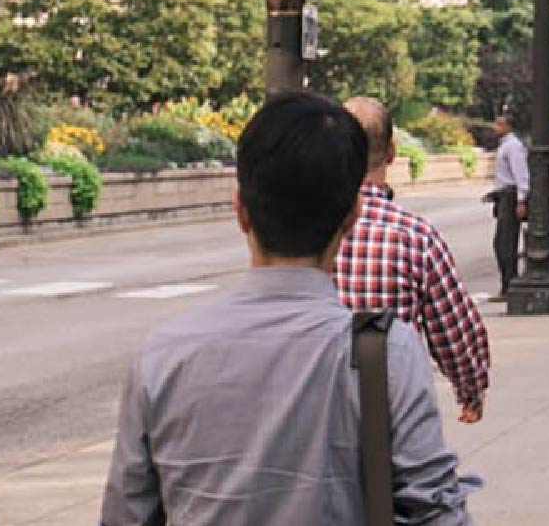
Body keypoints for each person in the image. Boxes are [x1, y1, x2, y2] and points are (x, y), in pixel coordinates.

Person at [101, 92, 468, 526]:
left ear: (241, 212)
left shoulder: (163, 355)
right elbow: (435, 510)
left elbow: (127, 514)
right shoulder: (388, 353)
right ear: (350, 216)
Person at [330, 97, 491, 424]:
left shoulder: (305, 227)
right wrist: (470, 391)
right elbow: (455, 330)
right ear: (391, 152)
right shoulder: (413, 235)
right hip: (392, 413)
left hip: (317, 414)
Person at [485, 109, 533, 293]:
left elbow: (520, 174)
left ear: (507, 126)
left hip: (511, 196)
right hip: (503, 195)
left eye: (499, 124)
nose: (495, 127)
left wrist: (521, 200)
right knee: (501, 242)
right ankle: (506, 281)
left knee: (506, 242)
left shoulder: (513, 146)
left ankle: (510, 282)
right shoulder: (504, 145)